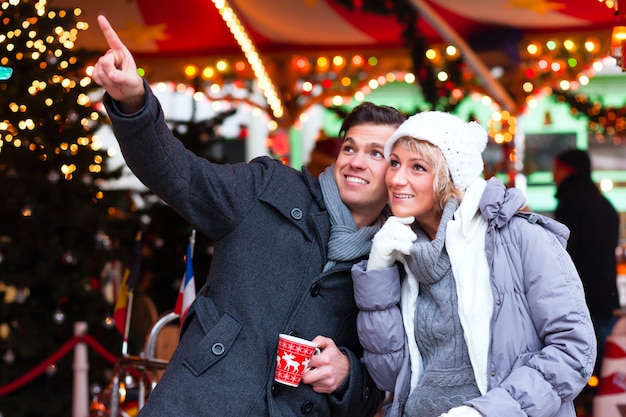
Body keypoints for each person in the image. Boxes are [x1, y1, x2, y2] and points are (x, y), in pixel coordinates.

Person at [92, 15, 406, 417]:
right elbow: (180, 176)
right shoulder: (269, 187)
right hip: (199, 403)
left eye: (376, 154)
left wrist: (347, 375)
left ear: (395, 170)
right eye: (350, 148)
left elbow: (389, 380)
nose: (356, 162)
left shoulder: (394, 262)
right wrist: (133, 102)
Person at [351, 111, 596, 417]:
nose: (397, 178)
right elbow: (388, 376)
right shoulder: (401, 249)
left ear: (449, 176)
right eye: (395, 163)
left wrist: (485, 413)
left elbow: (573, 350)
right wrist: (377, 272)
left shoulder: (520, 238)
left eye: (418, 167)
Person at [553, 148, 620, 377]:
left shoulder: (570, 201)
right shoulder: (604, 203)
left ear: (567, 170)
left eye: (557, 169)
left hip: (580, 294)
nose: (554, 175)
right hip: (606, 293)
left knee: (581, 363)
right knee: (608, 367)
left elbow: (565, 252)